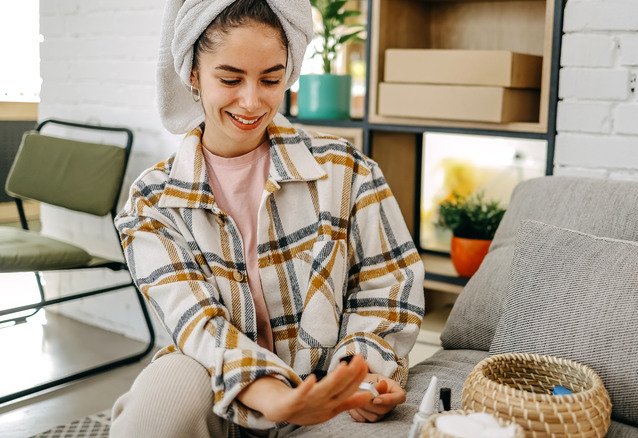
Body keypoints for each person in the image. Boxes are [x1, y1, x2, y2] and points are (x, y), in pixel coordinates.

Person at [109, 0, 424, 437]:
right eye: (230, 78)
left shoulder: (347, 171)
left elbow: (387, 285)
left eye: (271, 79)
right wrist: (276, 398)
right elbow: (198, 323)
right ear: (194, 75)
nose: (252, 101)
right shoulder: (151, 202)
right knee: (159, 404)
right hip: (218, 381)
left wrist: (359, 375)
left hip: (323, 379)